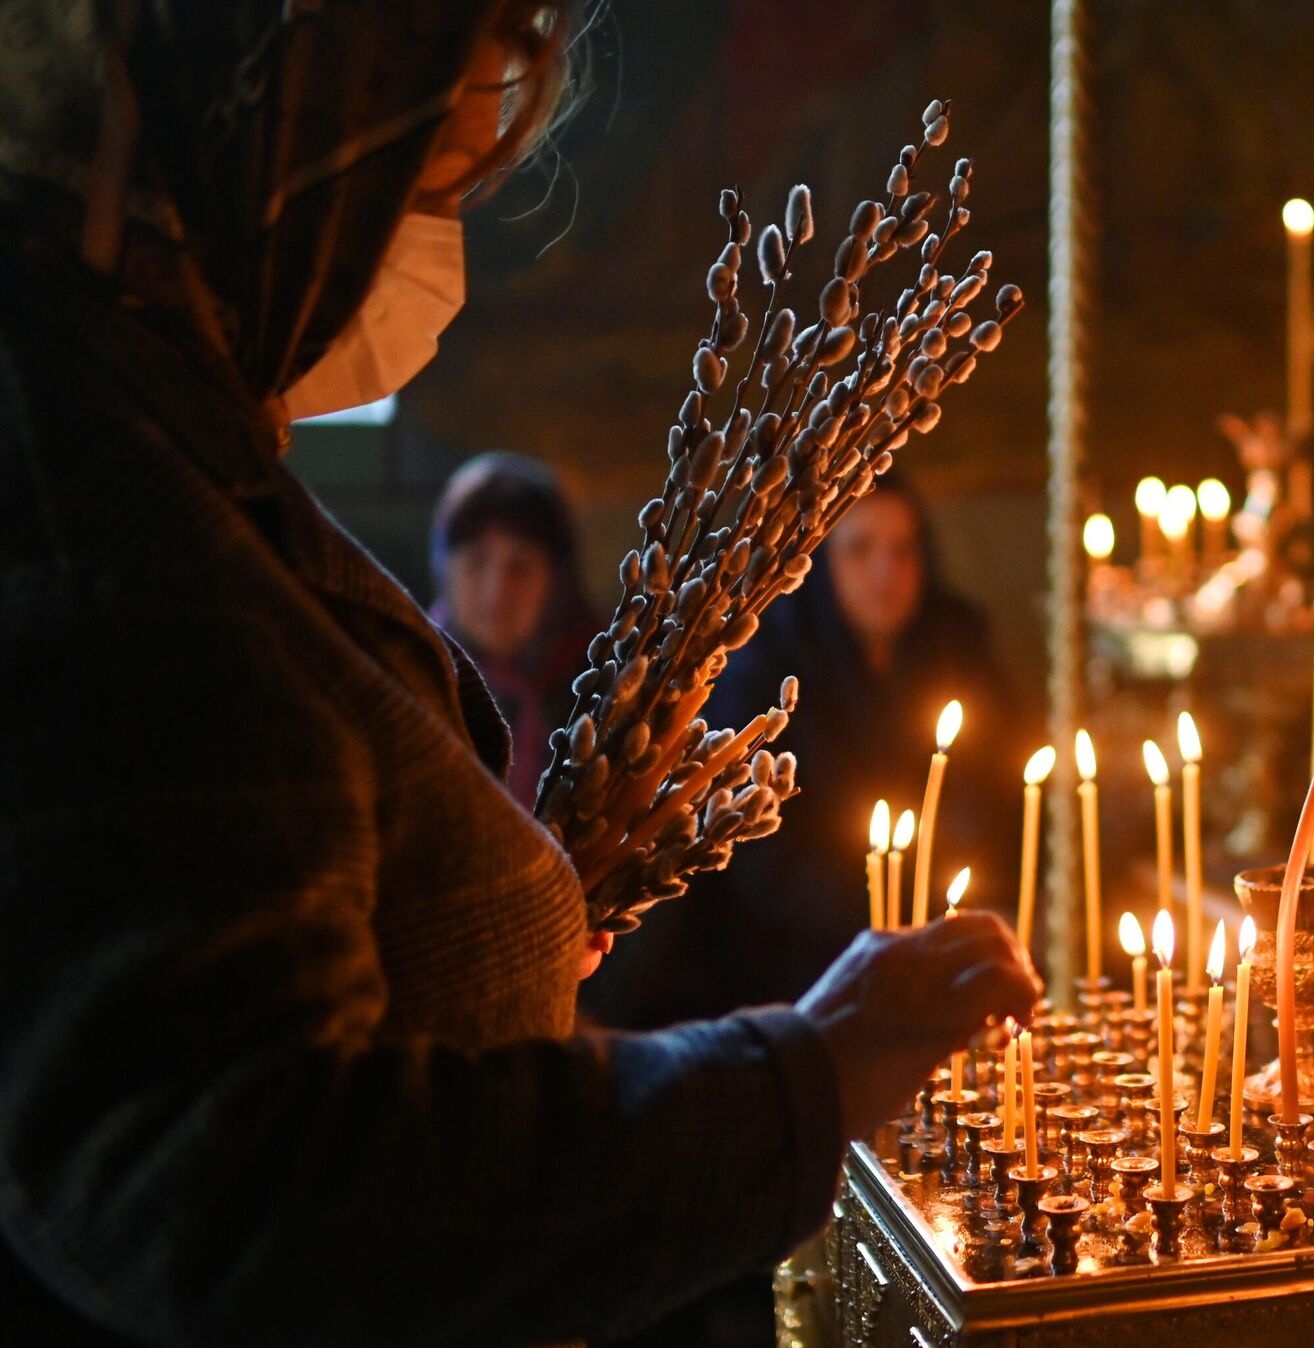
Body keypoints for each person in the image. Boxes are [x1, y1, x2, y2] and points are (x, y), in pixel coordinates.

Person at [0, 6, 1039, 1346]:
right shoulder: (93, 510)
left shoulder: (164, 414)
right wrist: (812, 1070)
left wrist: (505, 908)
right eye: (420, 191)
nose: (435, 252)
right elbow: (251, 1193)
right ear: (281, 148)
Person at [584, 475, 1027, 1031]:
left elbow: (991, 790)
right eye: (861, 550)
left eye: (904, 550)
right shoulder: (769, 670)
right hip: (794, 964)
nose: (886, 572)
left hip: (942, 922)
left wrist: (952, 908)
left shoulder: (957, 643)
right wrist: (889, 922)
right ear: (821, 561)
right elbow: (763, 859)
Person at [428, 451, 601, 807]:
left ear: (556, 581)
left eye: (520, 567)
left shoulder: (607, 688)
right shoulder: (415, 680)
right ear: (445, 569)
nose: (496, 593)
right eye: (476, 560)